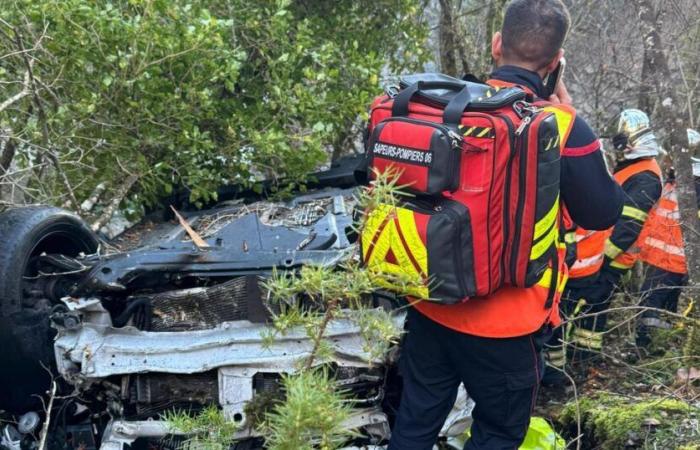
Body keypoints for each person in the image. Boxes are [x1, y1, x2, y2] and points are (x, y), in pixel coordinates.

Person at [387, 1, 623, 448]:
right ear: (555, 64)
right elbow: (603, 212)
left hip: (429, 304)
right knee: (496, 434)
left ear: (496, 45)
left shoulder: (445, 108)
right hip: (507, 326)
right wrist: (571, 117)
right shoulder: (560, 124)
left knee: (414, 424)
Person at [549, 109, 663, 368]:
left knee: (591, 313)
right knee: (589, 314)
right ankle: (582, 361)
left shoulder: (645, 176)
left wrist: (604, 258)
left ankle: (583, 364)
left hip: (612, 260)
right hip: (603, 257)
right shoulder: (634, 169)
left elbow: (628, 226)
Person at [635, 128, 700, 347]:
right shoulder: (675, 184)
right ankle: (663, 345)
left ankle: (646, 346)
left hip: (671, 263)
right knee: (665, 308)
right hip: (662, 261)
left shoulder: (693, 189)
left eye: (671, 157)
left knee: (649, 305)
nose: (667, 161)